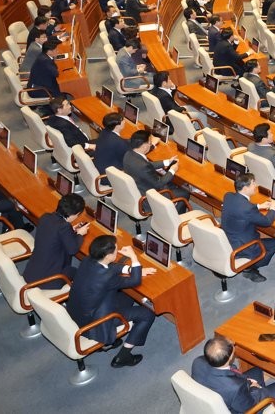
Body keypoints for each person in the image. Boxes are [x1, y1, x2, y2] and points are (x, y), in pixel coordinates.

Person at [67, 235, 156, 368]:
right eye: (116, 250)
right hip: (96, 323)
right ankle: (123, 356)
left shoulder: (88, 260)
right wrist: (134, 259)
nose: (118, 250)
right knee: (147, 314)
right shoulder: (106, 278)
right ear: (107, 255)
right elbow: (135, 281)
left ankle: (115, 341)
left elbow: (110, 267)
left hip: (79, 313)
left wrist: (130, 269)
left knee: (129, 295)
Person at [192, 336, 275, 414]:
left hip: (222, 389)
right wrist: (254, 388)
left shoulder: (197, 362)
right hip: (244, 407)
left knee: (257, 369)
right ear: (229, 358)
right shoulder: (235, 388)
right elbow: (250, 406)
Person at [222, 172, 275, 282]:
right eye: (253, 183)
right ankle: (249, 267)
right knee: (274, 243)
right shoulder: (247, 209)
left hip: (228, 239)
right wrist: (273, 209)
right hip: (244, 246)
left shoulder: (228, 196)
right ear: (245, 188)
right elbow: (266, 222)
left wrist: (258, 206)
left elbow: (241, 208)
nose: (256, 185)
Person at [122, 130, 190, 208]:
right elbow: (159, 183)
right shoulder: (143, 166)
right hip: (150, 196)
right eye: (150, 142)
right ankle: (174, 217)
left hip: (140, 186)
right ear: (144, 146)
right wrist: (172, 170)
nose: (150, 144)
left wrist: (166, 162)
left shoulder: (128, 154)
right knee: (184, 193)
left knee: (172, 182)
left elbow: (146, 165)